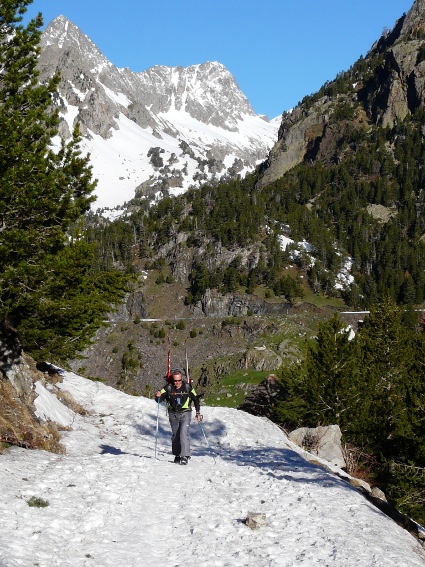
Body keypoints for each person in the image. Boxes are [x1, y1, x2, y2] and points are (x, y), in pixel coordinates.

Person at [155, 369, 202, 465]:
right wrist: (158, 396)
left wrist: (198, 413)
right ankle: (177, 455)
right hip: (173, 414)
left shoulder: (188, 387)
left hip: (185, 413)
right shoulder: (168, 387)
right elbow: (159, 400)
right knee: (175, 435)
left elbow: (196, 399)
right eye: (175, 381)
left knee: (183, 433)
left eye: (179, 380)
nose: (177, 383)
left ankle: (185, 456)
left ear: (182, 379)